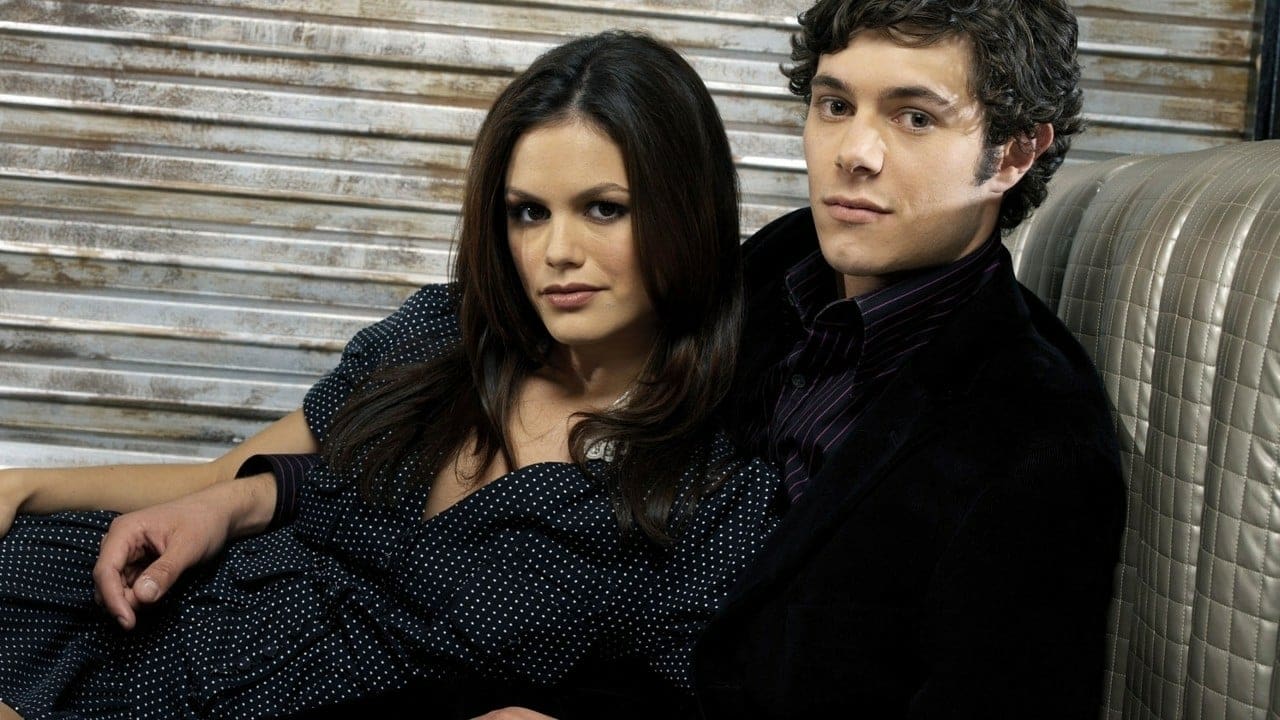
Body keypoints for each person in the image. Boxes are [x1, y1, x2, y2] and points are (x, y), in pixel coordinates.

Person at [0, 30, 783, 720]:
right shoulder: (441, 334)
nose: (556, 252)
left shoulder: (713, 497)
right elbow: (218, 475)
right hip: (151, 622)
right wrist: (24, 488)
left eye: (604, 209)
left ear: (687, 212)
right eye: (528, 212)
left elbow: (683, 697)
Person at [475, 0, 1127, 718]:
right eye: (835, 105)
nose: (854, 153)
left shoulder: (1036, 442)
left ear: (1014, 153)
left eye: (915, 117)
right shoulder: (779, 264)